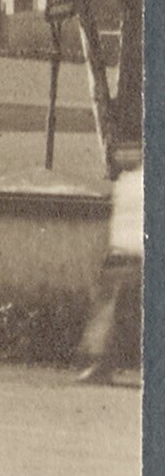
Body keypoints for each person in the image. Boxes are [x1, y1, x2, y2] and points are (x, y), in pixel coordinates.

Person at [78, 157, 143, 385]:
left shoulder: (129, 181)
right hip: (127, 252)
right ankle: (101, 364)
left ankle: (100, 364)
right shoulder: (130, 181)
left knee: (111, 310)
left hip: (127, 252)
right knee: (111, 311)